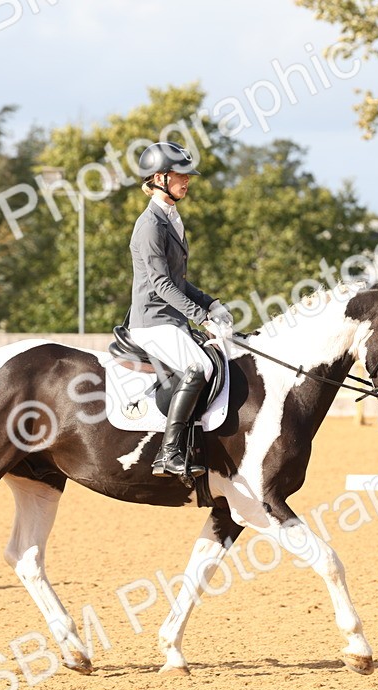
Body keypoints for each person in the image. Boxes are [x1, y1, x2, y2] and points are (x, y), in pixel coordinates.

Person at [128, 141, 233, 478]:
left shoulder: (170, 219)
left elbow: (178, 281)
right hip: (152, 320)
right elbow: (161, 284)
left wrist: (210, 302)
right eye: (180, 175)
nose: (186, 181)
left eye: (187, 176)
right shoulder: (150, 225)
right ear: (160, 178)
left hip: (169, 318)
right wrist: (202, 317)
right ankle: (168, 453)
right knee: (198, 365)